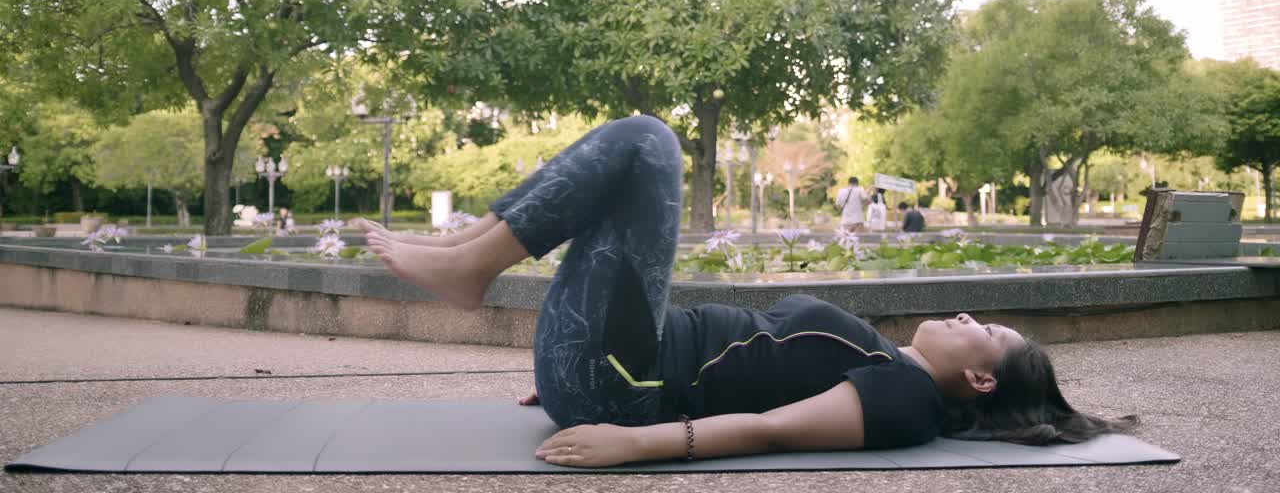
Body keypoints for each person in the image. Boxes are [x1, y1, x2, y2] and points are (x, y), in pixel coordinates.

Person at [358, 116, 1134, 468]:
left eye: (985, 331)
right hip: (612, 368)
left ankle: (470, 264)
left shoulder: (907, 399)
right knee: (635, 148)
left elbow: (772, 430)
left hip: (623, 387)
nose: (969, 316)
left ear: (981, 380)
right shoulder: (890, 365)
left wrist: (631, 440)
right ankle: (464, 253)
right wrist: (582, 374)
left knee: (646, 141)